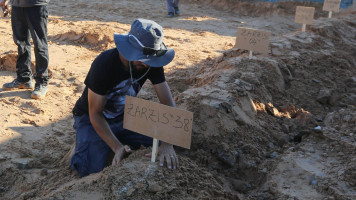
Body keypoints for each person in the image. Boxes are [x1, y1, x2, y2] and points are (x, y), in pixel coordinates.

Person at [70, 18, 179, 177]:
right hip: (91, 118)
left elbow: (169, 105)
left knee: (170, 144)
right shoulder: (104, 64)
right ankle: (83, 143)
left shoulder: (152, 63)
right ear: (129, 50)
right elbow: (95, 114)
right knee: (88, 169)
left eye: (150, 60)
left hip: (125, 114)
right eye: (142, 59)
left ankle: (113, 139)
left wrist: (168, 143)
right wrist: (117, 147)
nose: (147, 65)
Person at [1, 0, 50, 99]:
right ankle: (24, 79)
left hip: (36, 5)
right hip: (17, 6)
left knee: (40, 44)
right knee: (21, 43)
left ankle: (42, 82)